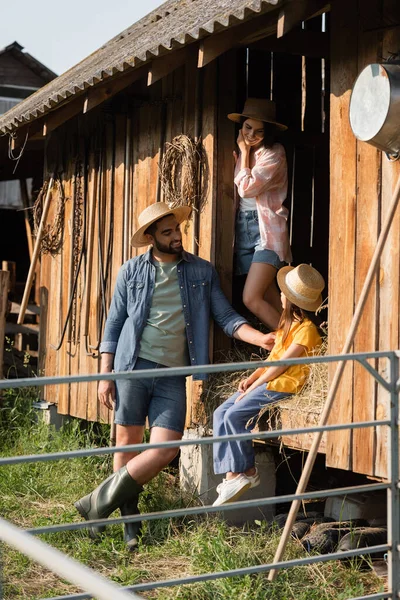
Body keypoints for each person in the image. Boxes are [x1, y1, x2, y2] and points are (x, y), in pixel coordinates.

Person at [74, 201, 276, 549]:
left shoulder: (201, 271)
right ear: (151, 237)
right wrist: (105, 374)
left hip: (173, 374)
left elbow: (225, 317)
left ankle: (97, 503)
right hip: (132, 366)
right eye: (167, 232)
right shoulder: (130, 272)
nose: (176, 237)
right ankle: (130, 526)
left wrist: (261, 338)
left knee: (166, 448)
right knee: (127, 444)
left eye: (177, 230)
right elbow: (114, 324)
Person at [212, 263, 325, 506]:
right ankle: (231, 474)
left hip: (283, 384)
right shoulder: (287, 328)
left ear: (293, 300)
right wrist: (251, 379)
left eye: (284, 292)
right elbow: (271, 359)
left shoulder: (307, 331)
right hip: (269, 380)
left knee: (234, 416)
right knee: (220, 412)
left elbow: (281, 366)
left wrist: (255, 387)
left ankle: (247, 472)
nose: (281, 295)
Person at [228, 97, 292, 330]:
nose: (251, 135)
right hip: (242, 229)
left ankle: (290, 345)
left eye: (259, 131)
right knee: (270, 299)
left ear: (269, 132)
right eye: (248, 127)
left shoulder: (274, 154)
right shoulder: (239, 153)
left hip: (266, 230)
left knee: (251, 298)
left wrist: (244, 153)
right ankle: (297, 341)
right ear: (241, 125)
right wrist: (242, 154)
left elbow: (246, 187)